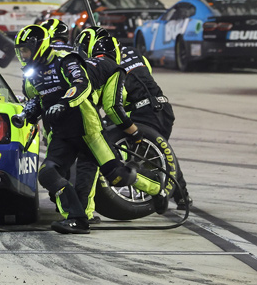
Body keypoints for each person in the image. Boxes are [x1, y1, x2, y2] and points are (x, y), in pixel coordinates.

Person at [15, 24, 168, 234]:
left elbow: (82, 84)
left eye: (25, 50)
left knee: (116, 176)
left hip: (88, 129)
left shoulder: (66, 60)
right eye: (20, 51)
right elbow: (37, 99)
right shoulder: (30, 74)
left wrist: (64, 103)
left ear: (39, 46)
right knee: (47, 174)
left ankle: (156, 187)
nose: (23, 55)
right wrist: (29, 112)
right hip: (61, 133)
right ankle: (77, 218)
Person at [77, 28, 191, 209]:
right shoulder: (133, 52)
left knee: (141, 152)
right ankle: (182, 196)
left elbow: (117, 98)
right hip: (162, 107)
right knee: (158, 152)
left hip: (142, 110)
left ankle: (167, 192)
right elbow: (148, 72)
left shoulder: (108, 64)